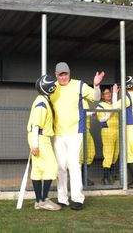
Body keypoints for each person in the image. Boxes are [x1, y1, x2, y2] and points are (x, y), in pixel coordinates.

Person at [50, 62, 104, 210]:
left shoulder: (79, 85)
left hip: (75, 132)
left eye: (65, 74)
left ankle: (78, 199)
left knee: (73, 165)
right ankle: (62, 198)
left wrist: (96, 85)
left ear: (69, 73)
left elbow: (96, 98)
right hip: (57, 133)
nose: (63, 77)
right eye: (60, 74)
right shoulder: (52, 88)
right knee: (61, 166)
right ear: (56, 75)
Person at [26, 75, 61, 211]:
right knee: (52, 167)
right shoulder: (42, 102)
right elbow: (36, 125)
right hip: (40, 138)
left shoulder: (42, 100)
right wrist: (35, 144)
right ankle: (44, 200)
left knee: (39, 169)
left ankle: (39, 201)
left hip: (38, 138)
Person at [96, 88, 120, 185]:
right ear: (102, 95)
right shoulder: (100, 106)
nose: (108, 94)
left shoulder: (114, 104)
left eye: (109, 93)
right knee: (108, 154)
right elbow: (101, 119)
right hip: (107, 130)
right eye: (106, 93)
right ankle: (105, 177)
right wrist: (110, 113)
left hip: (117, 130)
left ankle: (111, 174)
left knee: (116, 154)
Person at [79, 99, 96, 186]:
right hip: (80, 130)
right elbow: (79, 112)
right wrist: (92, 112)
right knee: (81, 156)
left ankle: (84, 177)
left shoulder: (85, 101)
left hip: (87, 130)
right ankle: (80, 179)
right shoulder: (76, 98)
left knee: (90, 154)